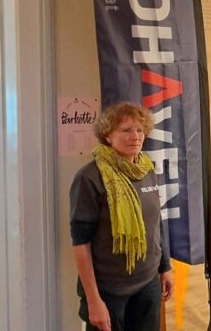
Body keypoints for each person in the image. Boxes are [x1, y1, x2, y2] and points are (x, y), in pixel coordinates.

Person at [70, 102, 173, 331]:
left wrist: (165, 267)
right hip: (108, 291)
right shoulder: (90, 177)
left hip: (147, 285)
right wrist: (94, 300)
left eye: (139, 129)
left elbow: (156, 223)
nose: (135, 136)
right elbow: (80, 243)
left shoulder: (146, 170)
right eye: (125, 130)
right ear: (108, 136)